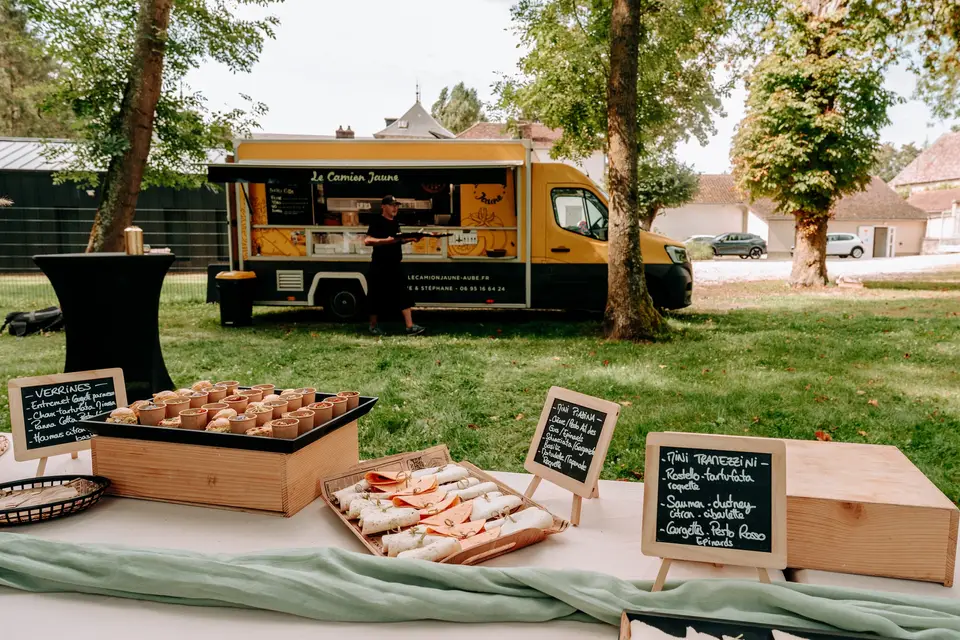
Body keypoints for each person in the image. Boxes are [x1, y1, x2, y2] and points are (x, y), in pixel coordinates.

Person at [364, 195, 425, 336]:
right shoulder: (377, 221)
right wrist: (385, 241)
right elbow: (367, 240)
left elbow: (397, 240)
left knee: (403, 294)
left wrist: (411, 239)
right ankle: (373, 326)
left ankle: (410, 327)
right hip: (379, 265)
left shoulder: (395, 222)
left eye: (396, 205)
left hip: (395, 264)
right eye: (392, 205)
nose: (395, 208)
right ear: (383, 206)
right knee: (375, 296)